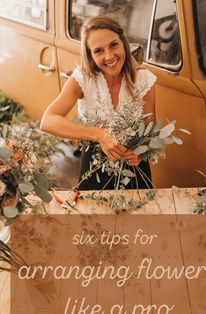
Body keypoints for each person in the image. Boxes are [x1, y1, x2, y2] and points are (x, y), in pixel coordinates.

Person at [40, 16, 157, 190]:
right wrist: (98, 134)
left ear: (123, 42)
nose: (109, 56)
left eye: (113, 45)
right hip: (93, 169)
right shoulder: (83, 79)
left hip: (135, 169)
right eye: (98, 50)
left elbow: (150, 126)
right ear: (90, 55)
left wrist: (141, 152)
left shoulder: (145, 79)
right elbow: (47, 121)